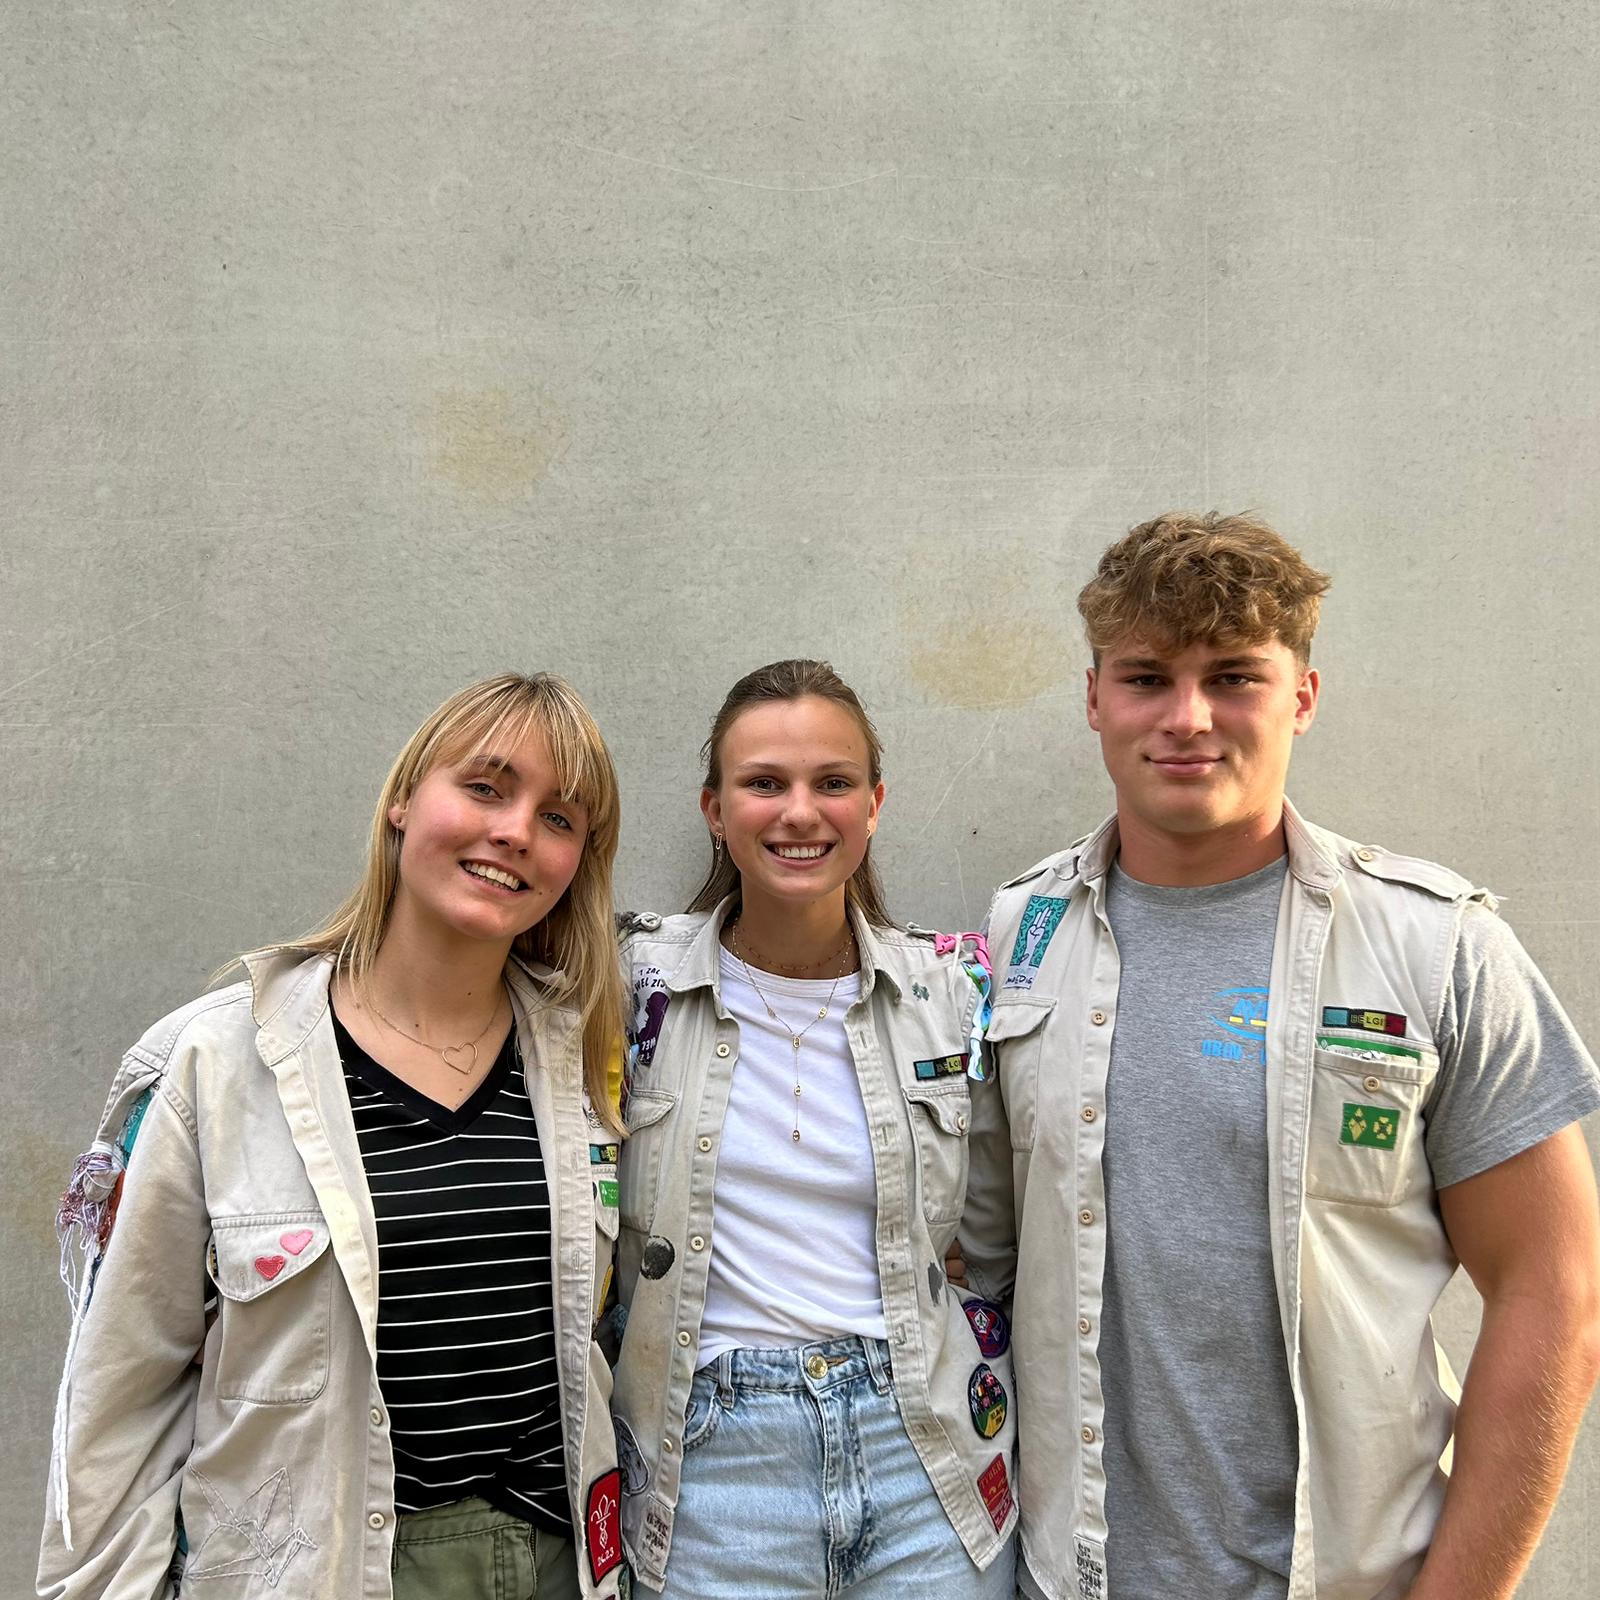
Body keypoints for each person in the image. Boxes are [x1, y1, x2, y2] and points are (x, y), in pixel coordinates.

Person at [965, 512, 1600, 1600]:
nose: (1187, 717)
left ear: (1301, 696)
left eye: (1233, 677)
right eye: (1147, 677)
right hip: (1070, 1577)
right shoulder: (1021, 937)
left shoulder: (1435, 949)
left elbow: (1555, 1293)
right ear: (1094, 698)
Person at [40, 673, 631, 1600]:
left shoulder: (585, 1058)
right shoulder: (216, 1063)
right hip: (318, 1570)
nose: (516, 830)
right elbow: (121, 1398)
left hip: (558, 1563)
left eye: (558, 818)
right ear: (403, 802)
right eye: (485, 787)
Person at [609, 659, 1017, 1600]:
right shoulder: (633, 983)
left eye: (832, 782)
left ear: (874, 804)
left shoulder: (946, 997)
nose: (800, 813)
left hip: (925, 1451)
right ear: (714, 810)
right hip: (711, 1463)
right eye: (764, 783)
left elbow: (994, 1242)